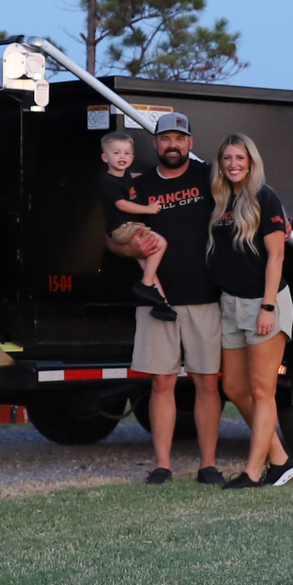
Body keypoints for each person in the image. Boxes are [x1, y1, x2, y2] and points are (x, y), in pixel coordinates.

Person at [112, 112, 224, 484]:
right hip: (156, 299)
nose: (172, 145)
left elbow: (251, 197)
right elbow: (113, 237)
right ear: (155, 144)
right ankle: (163, 465)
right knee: (162, 383)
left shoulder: (208, 177)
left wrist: (282, 219)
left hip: (205, 298)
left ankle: (208, 465)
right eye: (165, 139)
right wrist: (130, 249)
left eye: (180, 138)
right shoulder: (138, 187)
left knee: (208, 383)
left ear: (190, 143)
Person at [208, 132, 293, 489]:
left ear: (251, 162)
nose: (233, 164)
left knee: (262, 390)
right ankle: (279, 460)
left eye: (239, 158)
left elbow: (276, 256)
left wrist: (267, 307)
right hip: (230, 304)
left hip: (264, 303)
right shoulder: (220, 200)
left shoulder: (265, 197)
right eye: (227, 158)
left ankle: (252, 472)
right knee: (234, 387)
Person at [95, 129, 174, 317]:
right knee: (160, 243)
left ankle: (161, 304)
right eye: (116, 153)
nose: (122, 157)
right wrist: (149, 209)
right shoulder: (107, 182)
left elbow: (134, 178)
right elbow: (122, 204)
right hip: (123, 228)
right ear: (105, 157)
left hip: (128, 228)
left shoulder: (126, 176)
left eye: (126, 153)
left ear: (132, 158)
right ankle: (146, 284)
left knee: (148, 263)